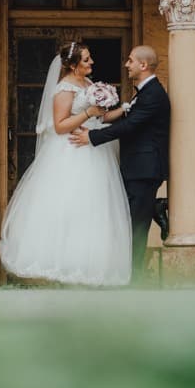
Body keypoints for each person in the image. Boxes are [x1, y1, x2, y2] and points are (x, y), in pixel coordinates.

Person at [0, 42, 132, 286]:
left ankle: (90, 266)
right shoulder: (64, 89)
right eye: (86, 60)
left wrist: (125, 109)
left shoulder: (90, 85)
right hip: (71, 151)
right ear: (73, 65)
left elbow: (102, 117)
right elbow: (60, 126)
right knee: (69, 206)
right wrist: (88, 114)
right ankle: (61, 267)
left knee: (96, 207)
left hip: (94, 149)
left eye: (90, 58)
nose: (91, 62)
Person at [70, 45, 170, 277]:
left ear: (143, 65)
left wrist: (92, 136)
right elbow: (129, 119)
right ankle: (155, 208)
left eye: (131, 60)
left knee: (137, 226)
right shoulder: (145, 91)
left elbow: (130, 126)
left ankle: (134, 277)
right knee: (130, 220)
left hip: (145, 169)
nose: (126, 64)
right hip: (135, 167)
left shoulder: (153, 94)